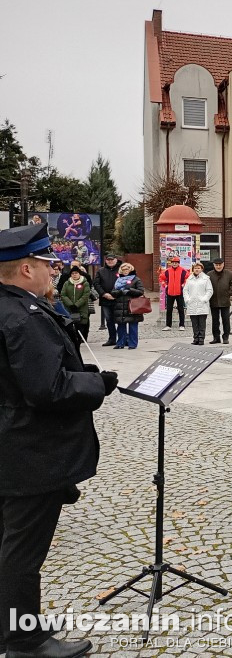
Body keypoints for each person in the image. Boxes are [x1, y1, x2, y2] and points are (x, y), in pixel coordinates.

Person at [0, 224, 118, 658]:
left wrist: (81, 375)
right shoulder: (22, 316)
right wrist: (95, 386)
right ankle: (24, 641)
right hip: (30, 452)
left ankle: (10, 626)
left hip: (12, 446)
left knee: (8, 544)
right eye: (48, 264)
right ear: (26, 269)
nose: (55, 271)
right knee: (22, 552)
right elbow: (46, 389)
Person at [111, 262, 145, 349]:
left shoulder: (136, 279)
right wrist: (120, 292)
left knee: (133, 326)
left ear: (130, 269)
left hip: (132, 305)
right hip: (120, 306)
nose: (125, 271)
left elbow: (140, 291)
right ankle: (120, 343)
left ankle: (132, 344)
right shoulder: (118, 280)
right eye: (123, 269)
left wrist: (129, 290)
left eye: (127, 269)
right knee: (121, 326)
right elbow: (113, 292)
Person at [93, 253, 121, 346]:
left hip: (119, 299)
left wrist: (116, 294)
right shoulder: (101, 271)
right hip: (105, 299)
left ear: (116, 259)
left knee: (121, 319)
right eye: (108, 260)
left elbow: (126, 282)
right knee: (109, 320)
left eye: (112, 259)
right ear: (105, 260)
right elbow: (96, 284)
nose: (110, 261)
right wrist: (104, 294)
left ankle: (122, 339)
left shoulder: (121, 270)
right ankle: (112, 339)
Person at [183, 262, 214, 345]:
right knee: (194, 323)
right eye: (195, 268)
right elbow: (185, 290)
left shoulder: (206, 279)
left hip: (202, 304)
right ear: (193, 269)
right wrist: (187, 299)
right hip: (192, 303)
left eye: (198, 268)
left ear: (202, 269)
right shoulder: (189, 279)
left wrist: (205, 299)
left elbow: (209, 290)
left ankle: (201, 339)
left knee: (202, 323)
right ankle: (195, 338)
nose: (197, 269)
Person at [208, 258, 232, 345]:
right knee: (215, 320)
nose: (218, 266)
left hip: (225, 300)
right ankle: (216, 338)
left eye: (220, 264)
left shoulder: (229, 273)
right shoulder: (209, 274)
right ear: (214, 265)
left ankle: (226, 337)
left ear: (223, 264)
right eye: (216, 265)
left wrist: (229, 293)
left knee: (226, 320)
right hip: (213, 300)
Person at [60, 266, 92, 342]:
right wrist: (70, 304)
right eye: (73, 273)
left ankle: (80, 340)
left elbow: (86, 295)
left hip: (81, 308)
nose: (74, 275)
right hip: (69, 308)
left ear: (79, 274)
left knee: (80, 325)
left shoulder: (85, 283)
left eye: (76, 273)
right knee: (70, 325)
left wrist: (77, 304)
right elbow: (63, 295)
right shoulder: (67, 283)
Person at [159, 256, 189, 331]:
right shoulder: (167, 271)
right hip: (170, 292)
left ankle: (182, 325)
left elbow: (187, 278)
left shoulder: (183, 271)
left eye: (176, 263)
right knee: (169, 309)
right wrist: (165, 285)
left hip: (180, 292)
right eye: (173, 263)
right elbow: (161, 278)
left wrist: (183, 285)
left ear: (178, 263)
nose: (174, 264)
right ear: (171, 263)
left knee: (181, 309)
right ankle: (168, 325)